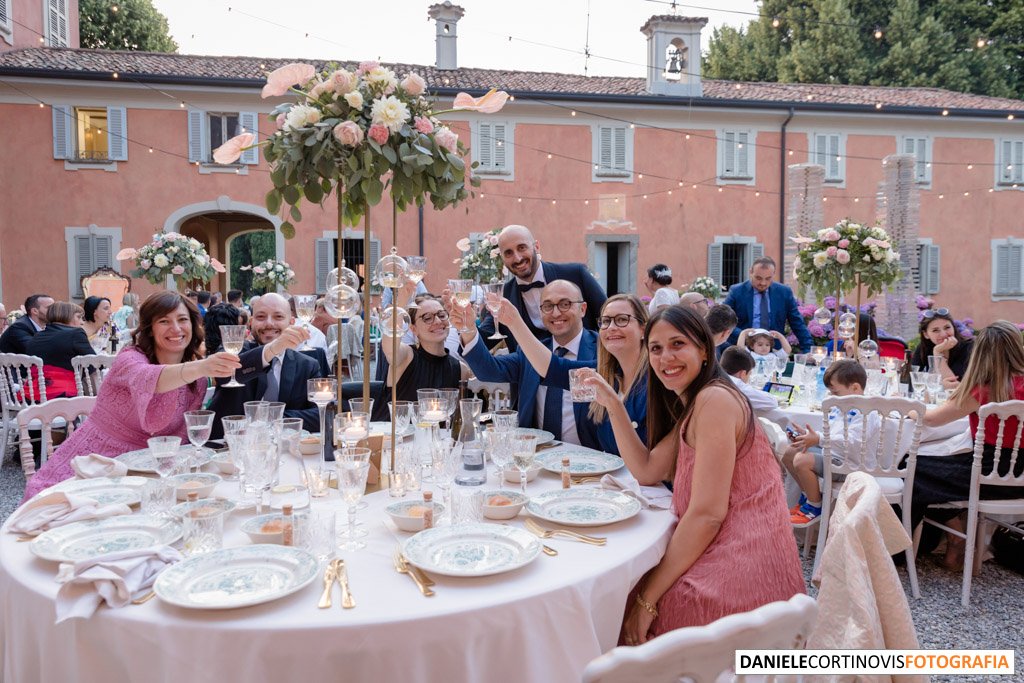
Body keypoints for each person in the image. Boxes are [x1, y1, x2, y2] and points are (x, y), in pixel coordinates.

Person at [589, 307, 803, 643]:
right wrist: (614, 405)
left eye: (677, 344)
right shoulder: (697, 402)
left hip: (744, 566)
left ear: (704, 350)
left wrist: (648, 599)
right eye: (656, 348)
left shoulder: (715, 401)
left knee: (621, 605)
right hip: (738, 550)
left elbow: (707, 516)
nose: (665, 357)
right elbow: (646, 471)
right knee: (620, 594)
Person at [22, 291, 296, 500]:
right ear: (149, 328)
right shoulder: (131, 359)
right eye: (164, 321)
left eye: (182, 320)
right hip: (101, 464)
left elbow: (234, 370)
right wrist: (201, 366)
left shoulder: (196, 371)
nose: (176, 329)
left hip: (157, 471)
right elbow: (150, 380)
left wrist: (275, 347)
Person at [914, 321, 1024, 569]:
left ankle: (924, 548)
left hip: (985, 474)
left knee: (912, 469)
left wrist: (910, 411)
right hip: (1019, 476)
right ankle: (955, 545)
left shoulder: (984, 389)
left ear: (981, 353)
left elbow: (931, 419)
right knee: (931, 467)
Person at [495, 293, 649, 455]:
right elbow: (553, 369)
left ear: (643, 329)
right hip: (609, 478)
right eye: (606, 321)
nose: (611, 327)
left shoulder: (655, 383)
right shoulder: (605, 376)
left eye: (622, 319)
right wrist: (514, 322)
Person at [454, 280, 601, 449]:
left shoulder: (602, 350)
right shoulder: (530, 351)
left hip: (591, 458)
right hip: (535, 456)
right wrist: (469, 329)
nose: (555, 313)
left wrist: (515, 322)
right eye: (547, 306)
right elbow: (488, 370)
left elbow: (558, 369)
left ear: (582, 309)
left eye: (565, 304)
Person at [782, 360, 914, 525]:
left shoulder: (868, 412)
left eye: (836, 392)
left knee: (802, 460)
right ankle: (809, 496)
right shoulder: (840, 406)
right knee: (790, 453)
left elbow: (852, 442)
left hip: (853, 465)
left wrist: (820, 439)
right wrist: (809, 437)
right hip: (835, 457)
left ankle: (815, 507)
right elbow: (834, 434)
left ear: (855, 388)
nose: (832, 397)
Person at [208, 293, 322, 438]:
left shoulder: (307, 365)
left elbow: (320, 414)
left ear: (292, 322)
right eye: (261, 317)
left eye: (278, 317)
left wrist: (270, 417)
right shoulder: (234, 351)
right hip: (228, 449)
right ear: (251, 322)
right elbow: (225, 375)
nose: (269, 323)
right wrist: (272, 349)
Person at [476, 224, 606, 351]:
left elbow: (606, 317)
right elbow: (482, 343)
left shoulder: (575, 274)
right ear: (502, 258)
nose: (517, 258)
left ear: (536, 247)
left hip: (584, 365)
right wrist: (467, 326)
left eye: (522, 248)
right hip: (531, 371)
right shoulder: (503, 296)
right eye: (508, 253)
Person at [378, 292, 469, 420]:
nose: (437, 321)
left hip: (439, 438)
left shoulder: (461, 369)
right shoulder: (406, 356)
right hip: (396, 436)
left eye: (441, 315)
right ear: (413, 329)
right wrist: (402, 300)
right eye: (427, 318)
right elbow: (389, 345)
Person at [723, 257, 812, 353]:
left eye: (768, 278)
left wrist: (809, 350)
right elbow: (723, 319)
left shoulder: (784, 292)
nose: (763, 283)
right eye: (758, 278)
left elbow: (797, 323)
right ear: (751, 272)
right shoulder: (737, 291)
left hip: (773, 350)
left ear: (773, 274)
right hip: (742, 348)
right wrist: (744, 335)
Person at [25, 302, 93, 399]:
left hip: (32, 395)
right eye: (78, 317)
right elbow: (95, 363)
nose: (82, 322)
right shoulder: (76, 333)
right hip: (62, 395)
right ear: (67, 316)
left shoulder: (37, 336)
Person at [910, 307, 973, 387]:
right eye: (935, 330)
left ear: (954, 328)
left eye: (947, 327)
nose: (943, 334)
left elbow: (953, 386)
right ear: (926, 334)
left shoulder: (968, 347)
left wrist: (937, 353)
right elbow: (911, 381)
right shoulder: (923, 348)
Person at [719, 346, 780, 418]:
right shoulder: (737, 386)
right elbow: (772, 402)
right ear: (743, 373)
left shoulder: (714, 376)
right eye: (750, 373)